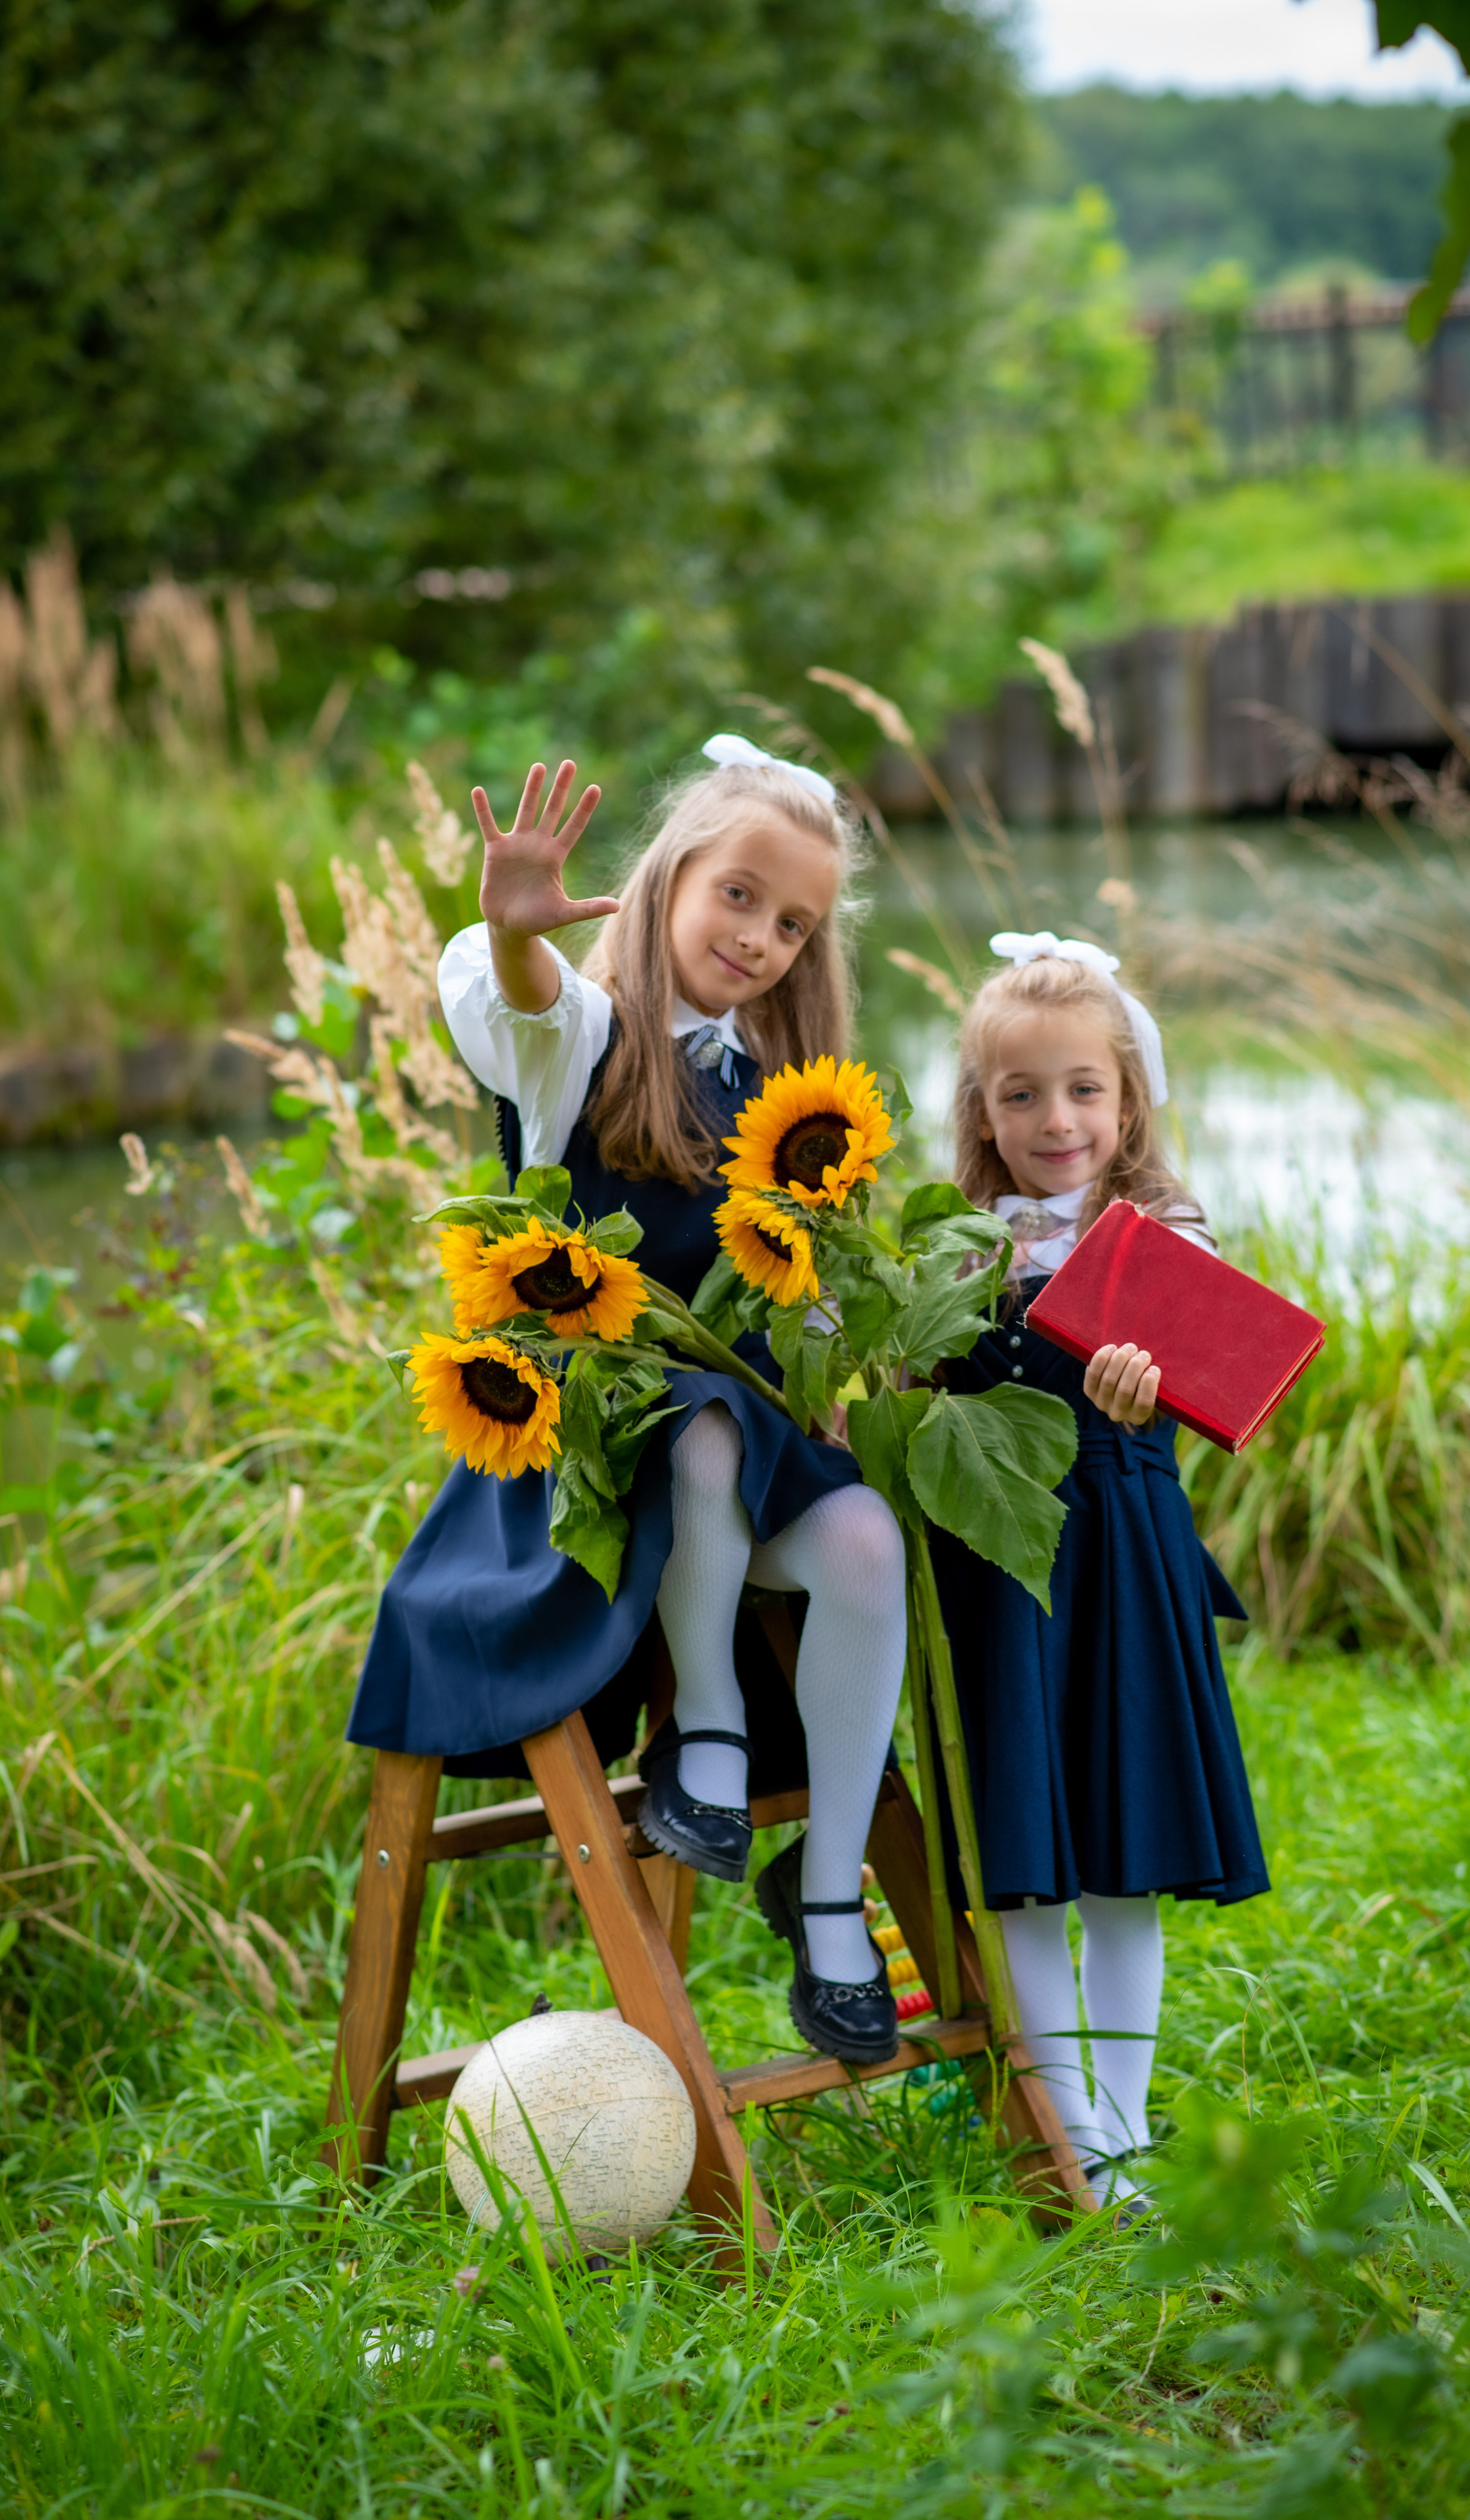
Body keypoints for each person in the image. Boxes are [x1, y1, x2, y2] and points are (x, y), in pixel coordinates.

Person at [348, 737, 905, 2063]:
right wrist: (513, 929)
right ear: (665, 880)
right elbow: (523, 1009)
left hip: (724, 1474)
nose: (759, 936)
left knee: (867, 1538)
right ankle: (701, 1734)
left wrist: (831, 1359)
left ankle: (829, 1890)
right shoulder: (586, 1042)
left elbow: (791, 1280)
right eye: (736, 895)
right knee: (698, 1427)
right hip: (578, 1466)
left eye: (792, 924)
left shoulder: (765, 1097)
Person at [928, 933, 1269, 2205]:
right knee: (1027, 1853)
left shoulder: (1166, 1235)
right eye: (1020, 1094)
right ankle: (1066, 2132)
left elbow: (1224, 1377)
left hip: (1125, 1556)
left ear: (1127, 1100)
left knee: (1125, 1856)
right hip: (1000, 1570)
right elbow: (922, 1391)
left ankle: (1122, 2127)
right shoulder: (958, 1247)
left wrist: (1151, 1385)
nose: (1054, 1118)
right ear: (982, 1109)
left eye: (1083, 1089)